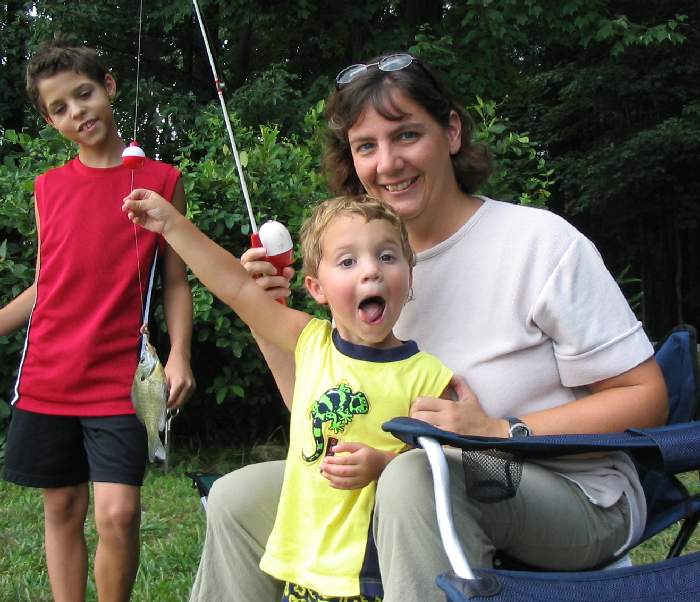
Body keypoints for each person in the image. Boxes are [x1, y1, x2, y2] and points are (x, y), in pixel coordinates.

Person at [187, 52, 669, 602]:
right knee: (238, 495)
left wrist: (499, 430)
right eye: (366, 146)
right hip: (399, 476)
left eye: (407, 134)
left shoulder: (540, 244)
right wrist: (264, 319)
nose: (387, 163)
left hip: (574, 493)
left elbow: (646, 396)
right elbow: (323, 416)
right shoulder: (370, 266)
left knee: (419, 478)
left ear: (452, 132)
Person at [122, 190, 453, 601]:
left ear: (409, 275)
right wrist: (172, 224)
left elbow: (440, 469)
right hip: (304, 568)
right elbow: (237, 289)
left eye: (387, 256)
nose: (372, 271)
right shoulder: (310, 342)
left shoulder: (429, 376)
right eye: (348, 261)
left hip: (372, 576)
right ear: (316, 287)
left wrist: (385, 464)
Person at [0, 41, 195, 602]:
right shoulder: (47, 187)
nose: (77, 112)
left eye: (84, 94)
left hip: (120, 378)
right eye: (59, 108)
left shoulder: (160, 179)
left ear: (109, 86)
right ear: (48, 119)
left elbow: (177, 280)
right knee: (61, 506)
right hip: (48, 374)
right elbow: (46, 285)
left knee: (119, 512)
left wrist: (179, 354)